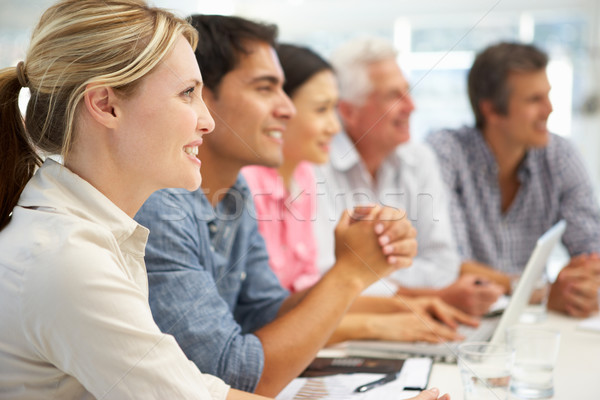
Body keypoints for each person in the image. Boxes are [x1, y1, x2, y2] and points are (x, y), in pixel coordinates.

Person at [134, 15, 449, 400]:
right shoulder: (159, 207)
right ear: (203, 97)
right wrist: (348, 275)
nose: (287, 108)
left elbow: (268, 312)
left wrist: (360, 264)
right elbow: (233, 376)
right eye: (266, 88)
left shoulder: (235, 192)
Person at [0, 1, 279, 399]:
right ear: (105, 105)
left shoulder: (77, 234)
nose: (208, 121)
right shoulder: (67, 259)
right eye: (187, 93)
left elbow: (194, 389)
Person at [242, 43, 477, 345]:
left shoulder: (301, 174)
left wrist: (402, 306)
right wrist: (375, 324)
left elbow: (306, 297)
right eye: (322, 109)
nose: (333, 125)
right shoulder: (258, 182)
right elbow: (265, 319)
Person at [314, 36, 504, 317]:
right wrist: (434, 297)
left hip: (401, 319)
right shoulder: (316, 164)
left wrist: (372, 279)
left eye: (408, 92)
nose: (411, 107)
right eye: (393, 96)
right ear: (348, 111)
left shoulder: (419, 158)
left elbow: (443, 265)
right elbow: (323, 280)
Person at [427, 41, 600, 317]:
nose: (550, 109)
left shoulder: (560, 156)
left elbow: (591, 250)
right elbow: (447, 264)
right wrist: (539, 292)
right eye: (534, 100)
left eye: (548, 95)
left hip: (535, 323)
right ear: (492, 111)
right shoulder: (444, 154)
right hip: (467, 320)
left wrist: (583, 286)